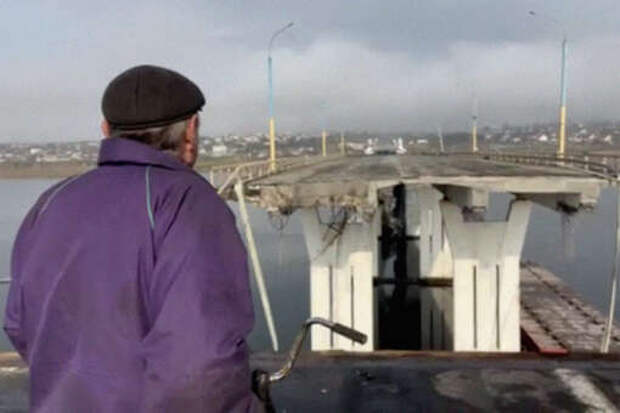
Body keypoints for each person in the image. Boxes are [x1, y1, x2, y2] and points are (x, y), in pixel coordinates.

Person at [4, 65, 263, 412]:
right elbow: (197, 369)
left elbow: (19, 323)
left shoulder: (52, 200)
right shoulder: (188, 202)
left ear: (105, 130)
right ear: (190, 132)